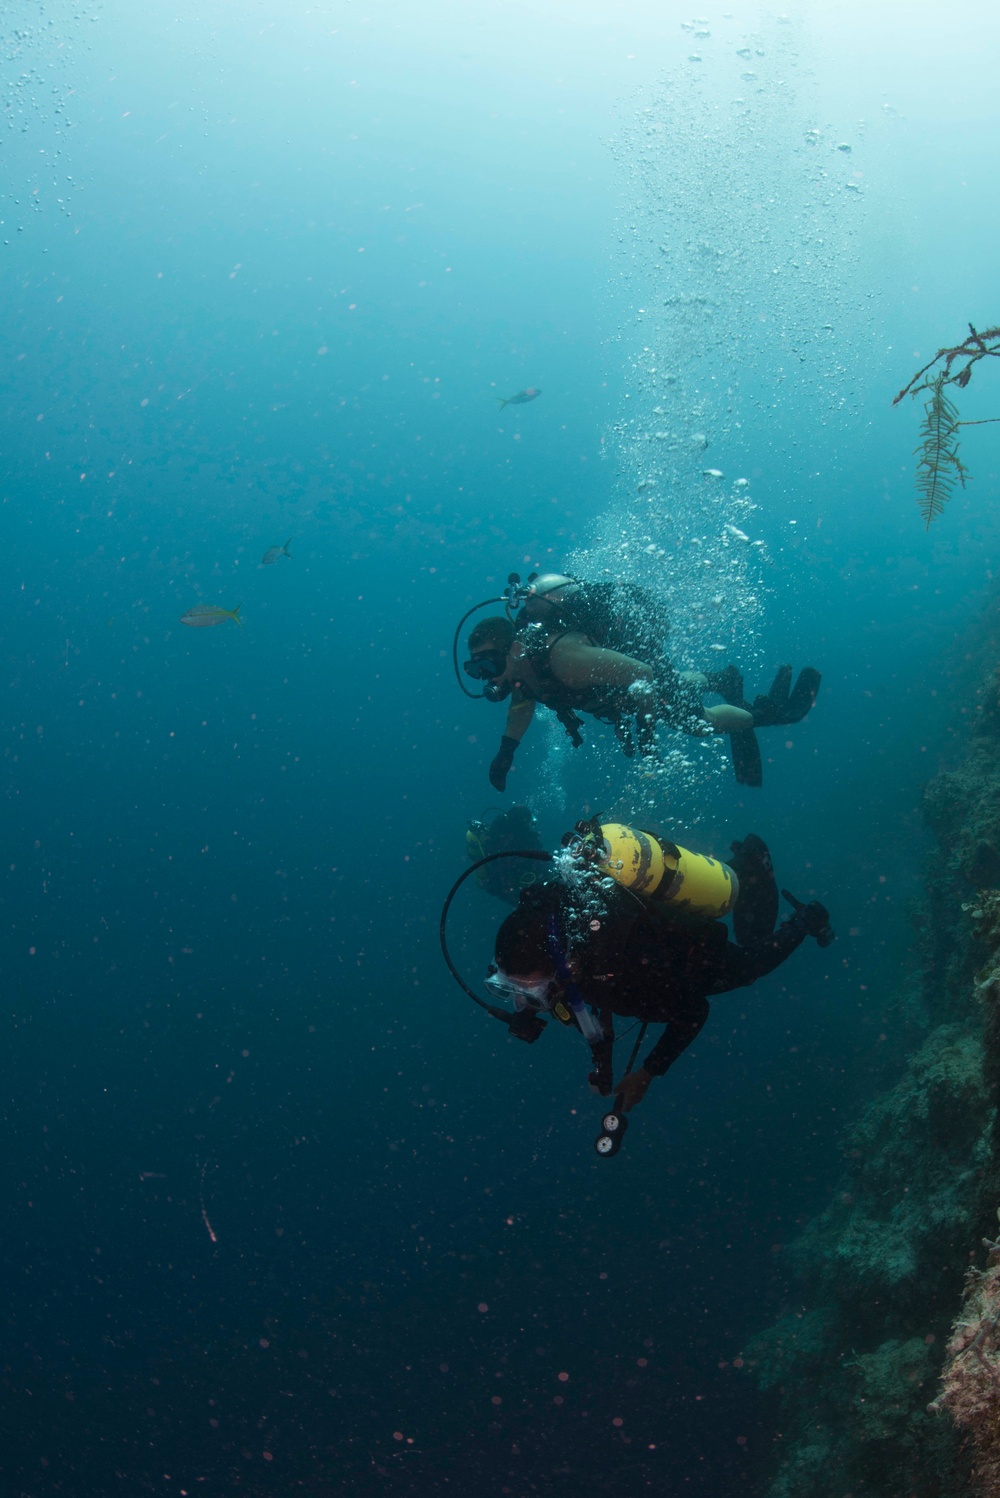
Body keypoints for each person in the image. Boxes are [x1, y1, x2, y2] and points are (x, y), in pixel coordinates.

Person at [485, 831, 832, 1110]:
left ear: (564, 965)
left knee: (750, 967)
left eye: (529, 991)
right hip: (641, 924)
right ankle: (742, 864)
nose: (522, 1003)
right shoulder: (550, 929)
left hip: (689, 954)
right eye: (507, 988)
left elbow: (694, 1011)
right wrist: (603, 1066)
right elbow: (593, 1014)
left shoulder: (623, 975)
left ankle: (808, 918)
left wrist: (649, 1072)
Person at [463, 574, 820, 790]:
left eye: (488, 665)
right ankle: (719, 678)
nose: (488, 678)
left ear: (512, 649)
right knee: (673, 686)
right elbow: (522, 705)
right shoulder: (522, 672)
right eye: (476, 670)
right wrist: (506, 751)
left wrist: (647, 728)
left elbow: (643, 674)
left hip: (639, 678)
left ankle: (767, 714)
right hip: (624, 680)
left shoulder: (563, 660)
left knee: (697, 723)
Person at [465, 806, 544, 907]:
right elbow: (504, 881)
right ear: (524, 823)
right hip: (505, 887)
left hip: (501, 884)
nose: (531, 826)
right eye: (529, 823)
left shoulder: (499, 833)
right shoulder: (512, 843)